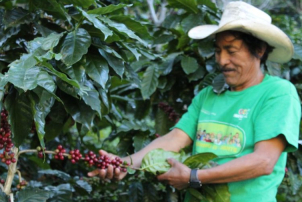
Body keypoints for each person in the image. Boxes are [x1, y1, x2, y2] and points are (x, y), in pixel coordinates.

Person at [88, 1, 301, 201]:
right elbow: (174, 140)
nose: (222, 60)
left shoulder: (278, 93)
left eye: (231, 51)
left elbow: (263, 162)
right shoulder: (208, 96)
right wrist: (126, 163)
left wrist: (194, 176)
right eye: (218, 51)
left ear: (260, 50)